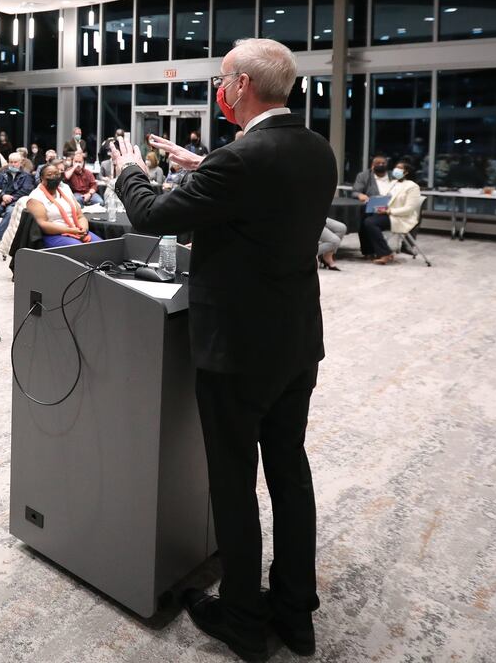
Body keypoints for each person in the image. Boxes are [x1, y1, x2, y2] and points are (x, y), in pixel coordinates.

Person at [112, 38, 335, 659]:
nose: (217, 87)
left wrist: (129, 168)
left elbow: (151, 215)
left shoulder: (239, 162)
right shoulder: (314, 149)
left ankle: (241, 613)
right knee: (290, 475)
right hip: (296, 343)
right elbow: (257, 197)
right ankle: (295, 612)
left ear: (239, 87)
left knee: (234, 481)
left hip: (238, 351)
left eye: (220, 78)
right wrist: (201, 164)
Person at [359, 159, 423, 264]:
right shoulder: (393, 183)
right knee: (362, 215)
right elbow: (385, 198)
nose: (396, 170)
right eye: (396, 168)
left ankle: (385, 253)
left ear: (406, 172)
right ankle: (369, 251)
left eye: (400, 168)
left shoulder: (412, 187)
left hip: (400, 217)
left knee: (370, 222)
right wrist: (373, 202)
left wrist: (389, 211)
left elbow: (409, 209)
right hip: (386, 213)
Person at [23, 163, 101, 248]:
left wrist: (84, 230)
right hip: (53, 234)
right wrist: (71, 231)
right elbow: (43, 224)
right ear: (42, 178)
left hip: (76, 230)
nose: (54, 177)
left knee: (100, 245)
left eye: (57, 174)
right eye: (49, 175)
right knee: (79, 248)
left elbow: (80, 216)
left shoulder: (65, 188)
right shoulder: (36, 196)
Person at [0, 152, 37, 239]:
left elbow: (25, 191)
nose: (13, 164)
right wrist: (3, 196)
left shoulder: (27, 176)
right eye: (11, 162)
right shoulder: (2, 174)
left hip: (16, 201)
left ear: (20, 162)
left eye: (15, 162)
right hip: (2, 200)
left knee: (10, 212)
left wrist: (9, 199)